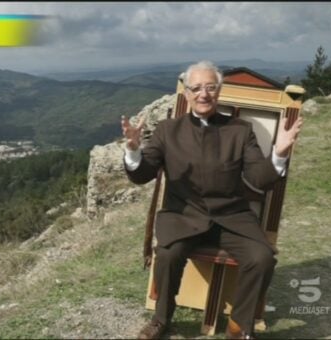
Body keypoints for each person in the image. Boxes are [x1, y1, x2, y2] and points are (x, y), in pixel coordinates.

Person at [121, 60, 303, 339]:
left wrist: (278, 153)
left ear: (219, 91)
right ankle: (161, 318)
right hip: (184, 216)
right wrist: (134, 151)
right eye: (196, 88)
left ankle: (239, 326)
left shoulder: (241, 131)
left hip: (232, 217)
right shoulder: (167, 130)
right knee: (168, 255)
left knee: (263, 257)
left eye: (210, 87)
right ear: (187, 93)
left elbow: (259, 179)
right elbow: (143, 174)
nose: (203, 94)